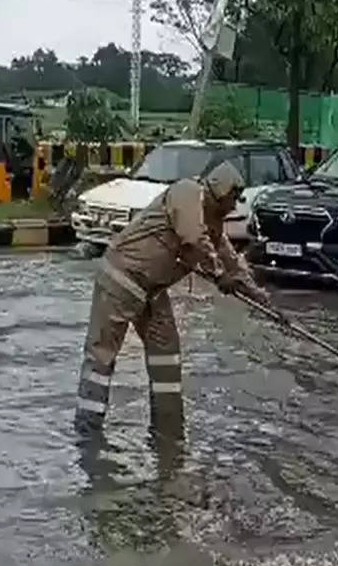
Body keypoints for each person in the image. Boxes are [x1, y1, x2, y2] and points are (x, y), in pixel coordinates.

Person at [74, 160, 268, 436]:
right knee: (101, 356)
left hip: (152, 290)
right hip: (121, 279)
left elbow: (232, 262)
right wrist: (219, 274)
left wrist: (262, 299)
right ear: (220, 191)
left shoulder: (213, 225)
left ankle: (167, 430)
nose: (234, 208)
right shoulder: (187, 193)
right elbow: (193, 239)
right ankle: (87, 433)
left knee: (167, 354)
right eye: (232, 199)